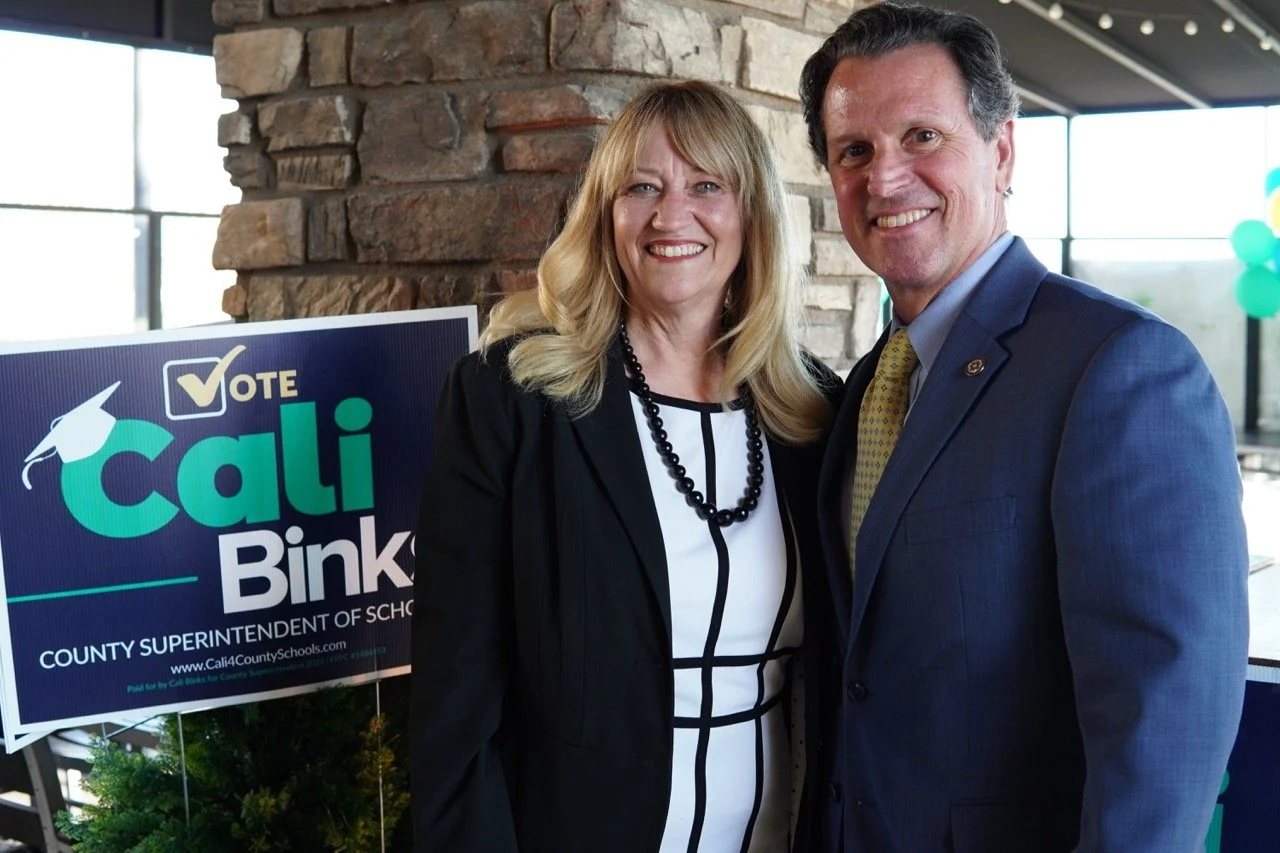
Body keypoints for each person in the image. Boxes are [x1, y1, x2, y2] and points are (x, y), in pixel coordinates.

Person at [797, 3, 1249, 852]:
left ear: (1002, 151)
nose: (884, 179)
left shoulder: (1121, 367)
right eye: (854, 150)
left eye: (922, 136)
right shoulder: (867, 384)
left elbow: (1165, 722)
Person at [410, 80, 840, 852]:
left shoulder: (811, 411)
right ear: (605, 216)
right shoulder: (511, 401)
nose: (671, 216)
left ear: (752, 215)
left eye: (706, 186)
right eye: (642, 187)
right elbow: (454, 705)